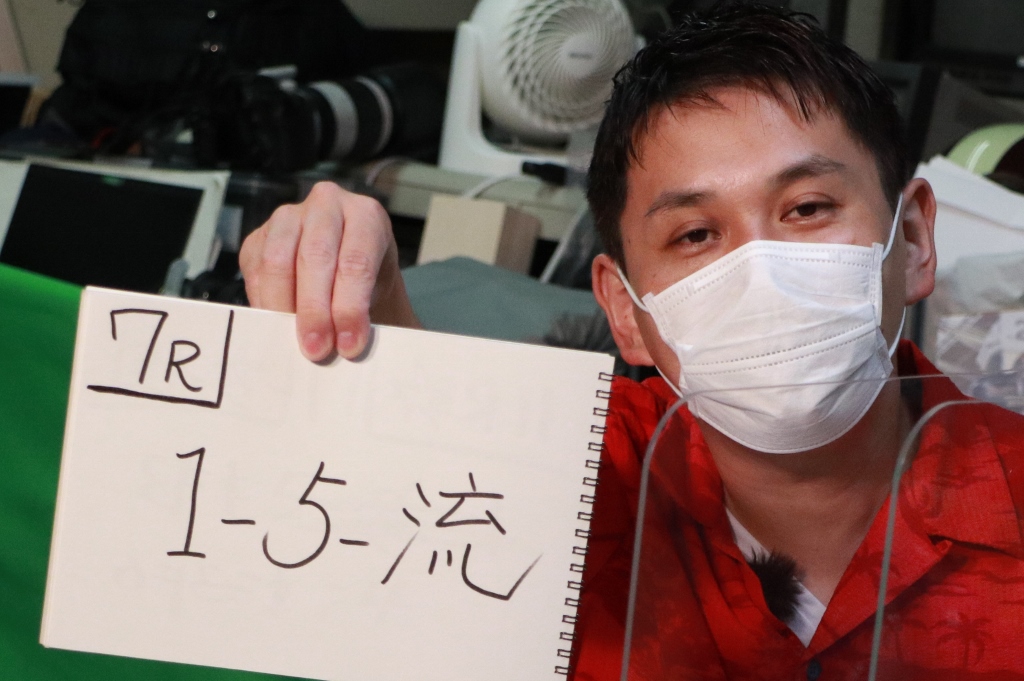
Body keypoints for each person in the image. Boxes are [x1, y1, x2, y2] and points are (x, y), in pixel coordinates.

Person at [240, 4, 1024, 678]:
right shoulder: (574, 474)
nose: (762, 272)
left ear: (912, 239)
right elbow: (414, 469)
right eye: (695, 234)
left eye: (807, 208)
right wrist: (356, 295)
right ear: (625, 309)